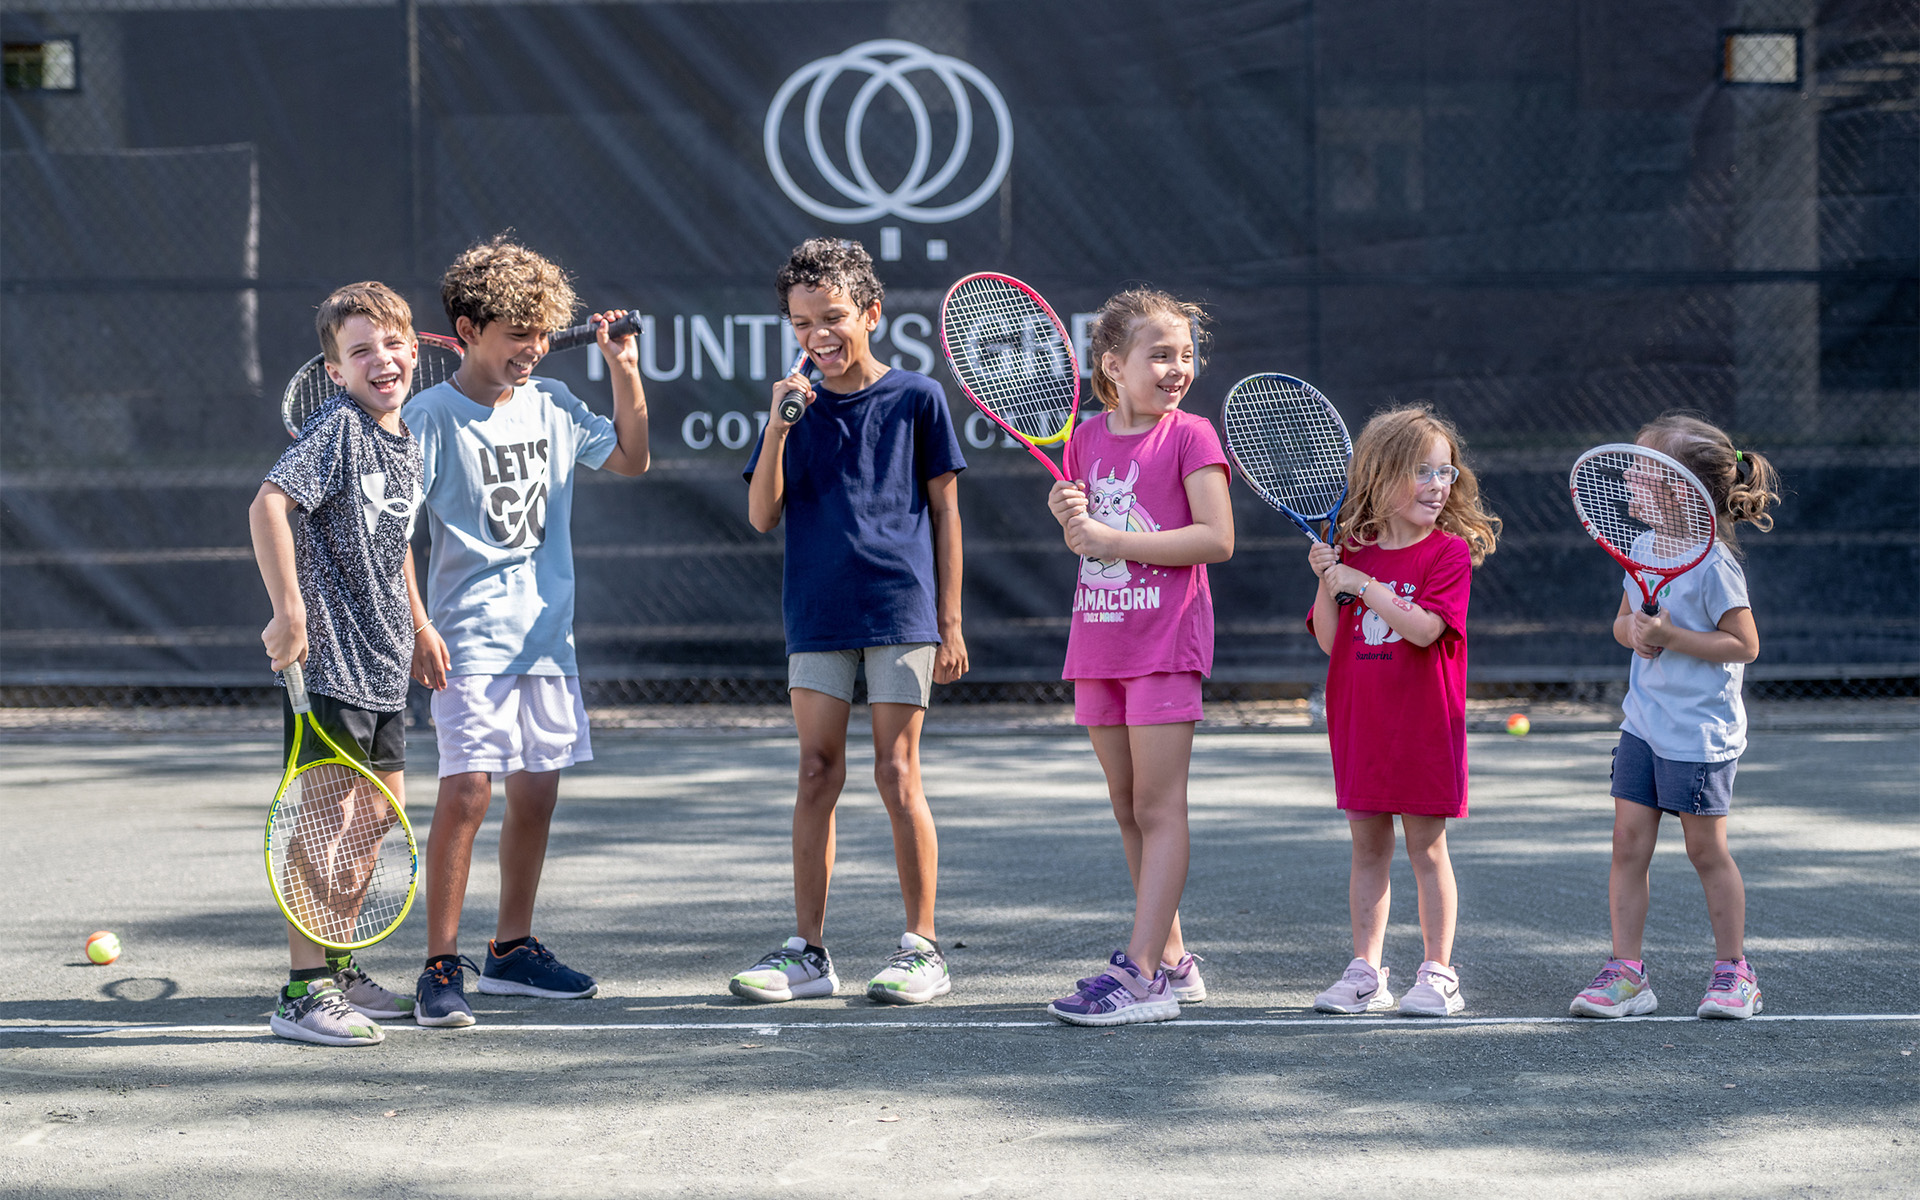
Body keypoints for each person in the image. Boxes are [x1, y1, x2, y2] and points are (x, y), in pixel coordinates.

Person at [404, 235, 650, 1027]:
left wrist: (623, 369)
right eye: (518, 334)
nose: (535, 349)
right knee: (468, 790)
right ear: (468, 330)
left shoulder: (553, 403)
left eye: (543, 334)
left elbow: (632, 459)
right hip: (467, 636)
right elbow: (394, 535)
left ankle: (511, 951)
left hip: (548, 639)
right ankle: (441, 963)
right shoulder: (428, 417)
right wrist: (418, 624)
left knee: (537, 791)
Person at [733, 237, 968, 1006]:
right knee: (815, 772)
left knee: (897, 773)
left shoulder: (917, 397)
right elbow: (761, 515)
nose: (818, 336)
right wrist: (778, 426)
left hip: (902, 610)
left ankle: (922, 949)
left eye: (832, 317)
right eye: (802, 323)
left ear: (871, 313)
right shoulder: (791, 408)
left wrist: (950, 622)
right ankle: (808, 954)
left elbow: (945, 514)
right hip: (817, 612)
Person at [1042, 289, 1233, 1027]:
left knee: (1158, 807)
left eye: (1186, 355)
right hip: (1099, 642)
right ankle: (1175, 961)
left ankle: (1143, 972)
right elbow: (1087, 538)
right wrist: (1069, 519)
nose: (1177, 368)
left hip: (1165, 644)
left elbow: (1216, 539)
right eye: (1160, 355)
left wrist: (1110, 538)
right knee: (1127, 806)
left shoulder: (1192, 436)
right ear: (1113, 366)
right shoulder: (1084, 440)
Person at [249, 281, 429, 1046]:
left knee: (377, 820)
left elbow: (396, 539)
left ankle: (339, 966)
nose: (380, 360)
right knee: (325, 820)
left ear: (414, 350)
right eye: (360, 351)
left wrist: (419, 623)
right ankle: (302, 991)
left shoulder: (405, 441)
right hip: (331, 666)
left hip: (386, 663)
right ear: (335, 371)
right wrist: (290, 612)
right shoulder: (339, 429)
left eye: (391, 344)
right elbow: (268, 503)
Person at [1569, 414, 1778, 1021]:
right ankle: (1627, 974)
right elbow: (1623, 623)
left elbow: (1744, 645)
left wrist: (1672, 637)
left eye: (1643, 470)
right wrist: (1636, 632)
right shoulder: (1639, 549)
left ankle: (1735, 972)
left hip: (1699, 736)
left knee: (1705, 851)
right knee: (1627, 843)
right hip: (1643, 726)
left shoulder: (1715, 565)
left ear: (1683, 489)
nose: (1628, 479)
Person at [1306, 405, 1500, 1018]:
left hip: (1423, 730)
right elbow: (1331, 641)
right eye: (1421, 471)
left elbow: (1422, 630)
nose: (1437, 485)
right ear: (1380, 475)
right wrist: (1328, 577)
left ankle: (1439, 973)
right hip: (1360, 726)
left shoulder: (1447, 553)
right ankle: (1366, 972)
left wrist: (1361, 584)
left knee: (1427, 850)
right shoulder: (1350, 550)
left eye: (1445, 471)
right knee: (1368, 850)